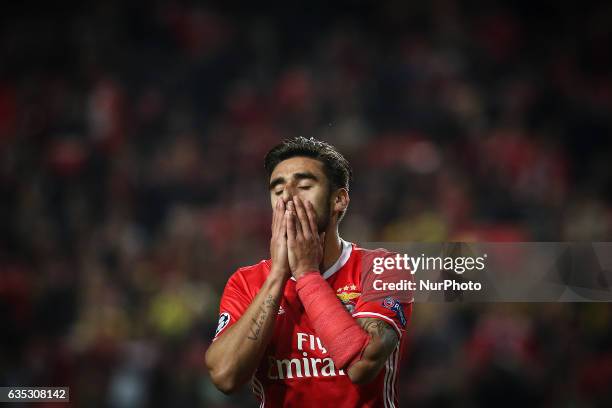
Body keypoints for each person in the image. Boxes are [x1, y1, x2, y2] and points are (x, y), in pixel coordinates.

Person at [205, 137, 412, 407]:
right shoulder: (247, 281)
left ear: (339, 200)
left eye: (304, 186)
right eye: (277, 190)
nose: (288, 197)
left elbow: (362, 365)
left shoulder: (384, 268)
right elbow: (225, 376)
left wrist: (306, 274)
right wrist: (279, 275)